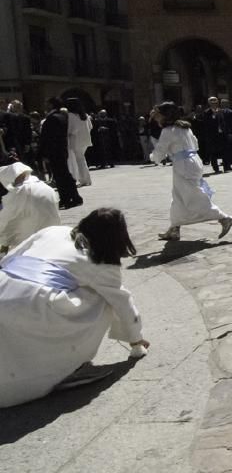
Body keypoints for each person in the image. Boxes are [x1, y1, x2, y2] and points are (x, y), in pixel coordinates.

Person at [0, 209, 147, 407]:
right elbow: (122, 301)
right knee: (101, 298)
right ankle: (65, 366)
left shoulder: (53, 231)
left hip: (3, 284)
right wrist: (135, 340)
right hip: (33, 303)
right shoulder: (100, 262)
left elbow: (10, 257)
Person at [150, 102, 232, 241]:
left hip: (183, 165)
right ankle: (174, 228)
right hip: (193, 161)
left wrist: (153, 157)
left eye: (158, 115)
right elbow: (195, 144)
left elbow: (159, 152)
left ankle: (224, 218)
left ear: (165, 115)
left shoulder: (168, 131)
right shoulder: (185, 127)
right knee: (179, 196)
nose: (156, 118)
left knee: (193, 196)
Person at [0, 162, 60, 252]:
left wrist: (4, 243)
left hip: (32, 238)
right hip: (52, 233)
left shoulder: (19, 192)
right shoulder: (46, 187)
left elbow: (5, 220)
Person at [40, 97, 82, 209]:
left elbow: (48, 137)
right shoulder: (62, 116)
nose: (45, 105)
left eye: (47, 103)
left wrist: (44, 153)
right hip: (61, 150)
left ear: (52, 105)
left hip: (54, 151)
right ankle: (74, 196)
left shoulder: (52, 118)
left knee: (60, 176)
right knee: (65, 174)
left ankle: (66, 198)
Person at [65, 97, 93, 187]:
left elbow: (70, 129)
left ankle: (84, 179)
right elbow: (90, 127)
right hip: (85, 139)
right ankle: (86, 179)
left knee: (78, 160)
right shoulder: (85, 115)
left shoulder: (70, 115)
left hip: (75, 140)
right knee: (81, 159)